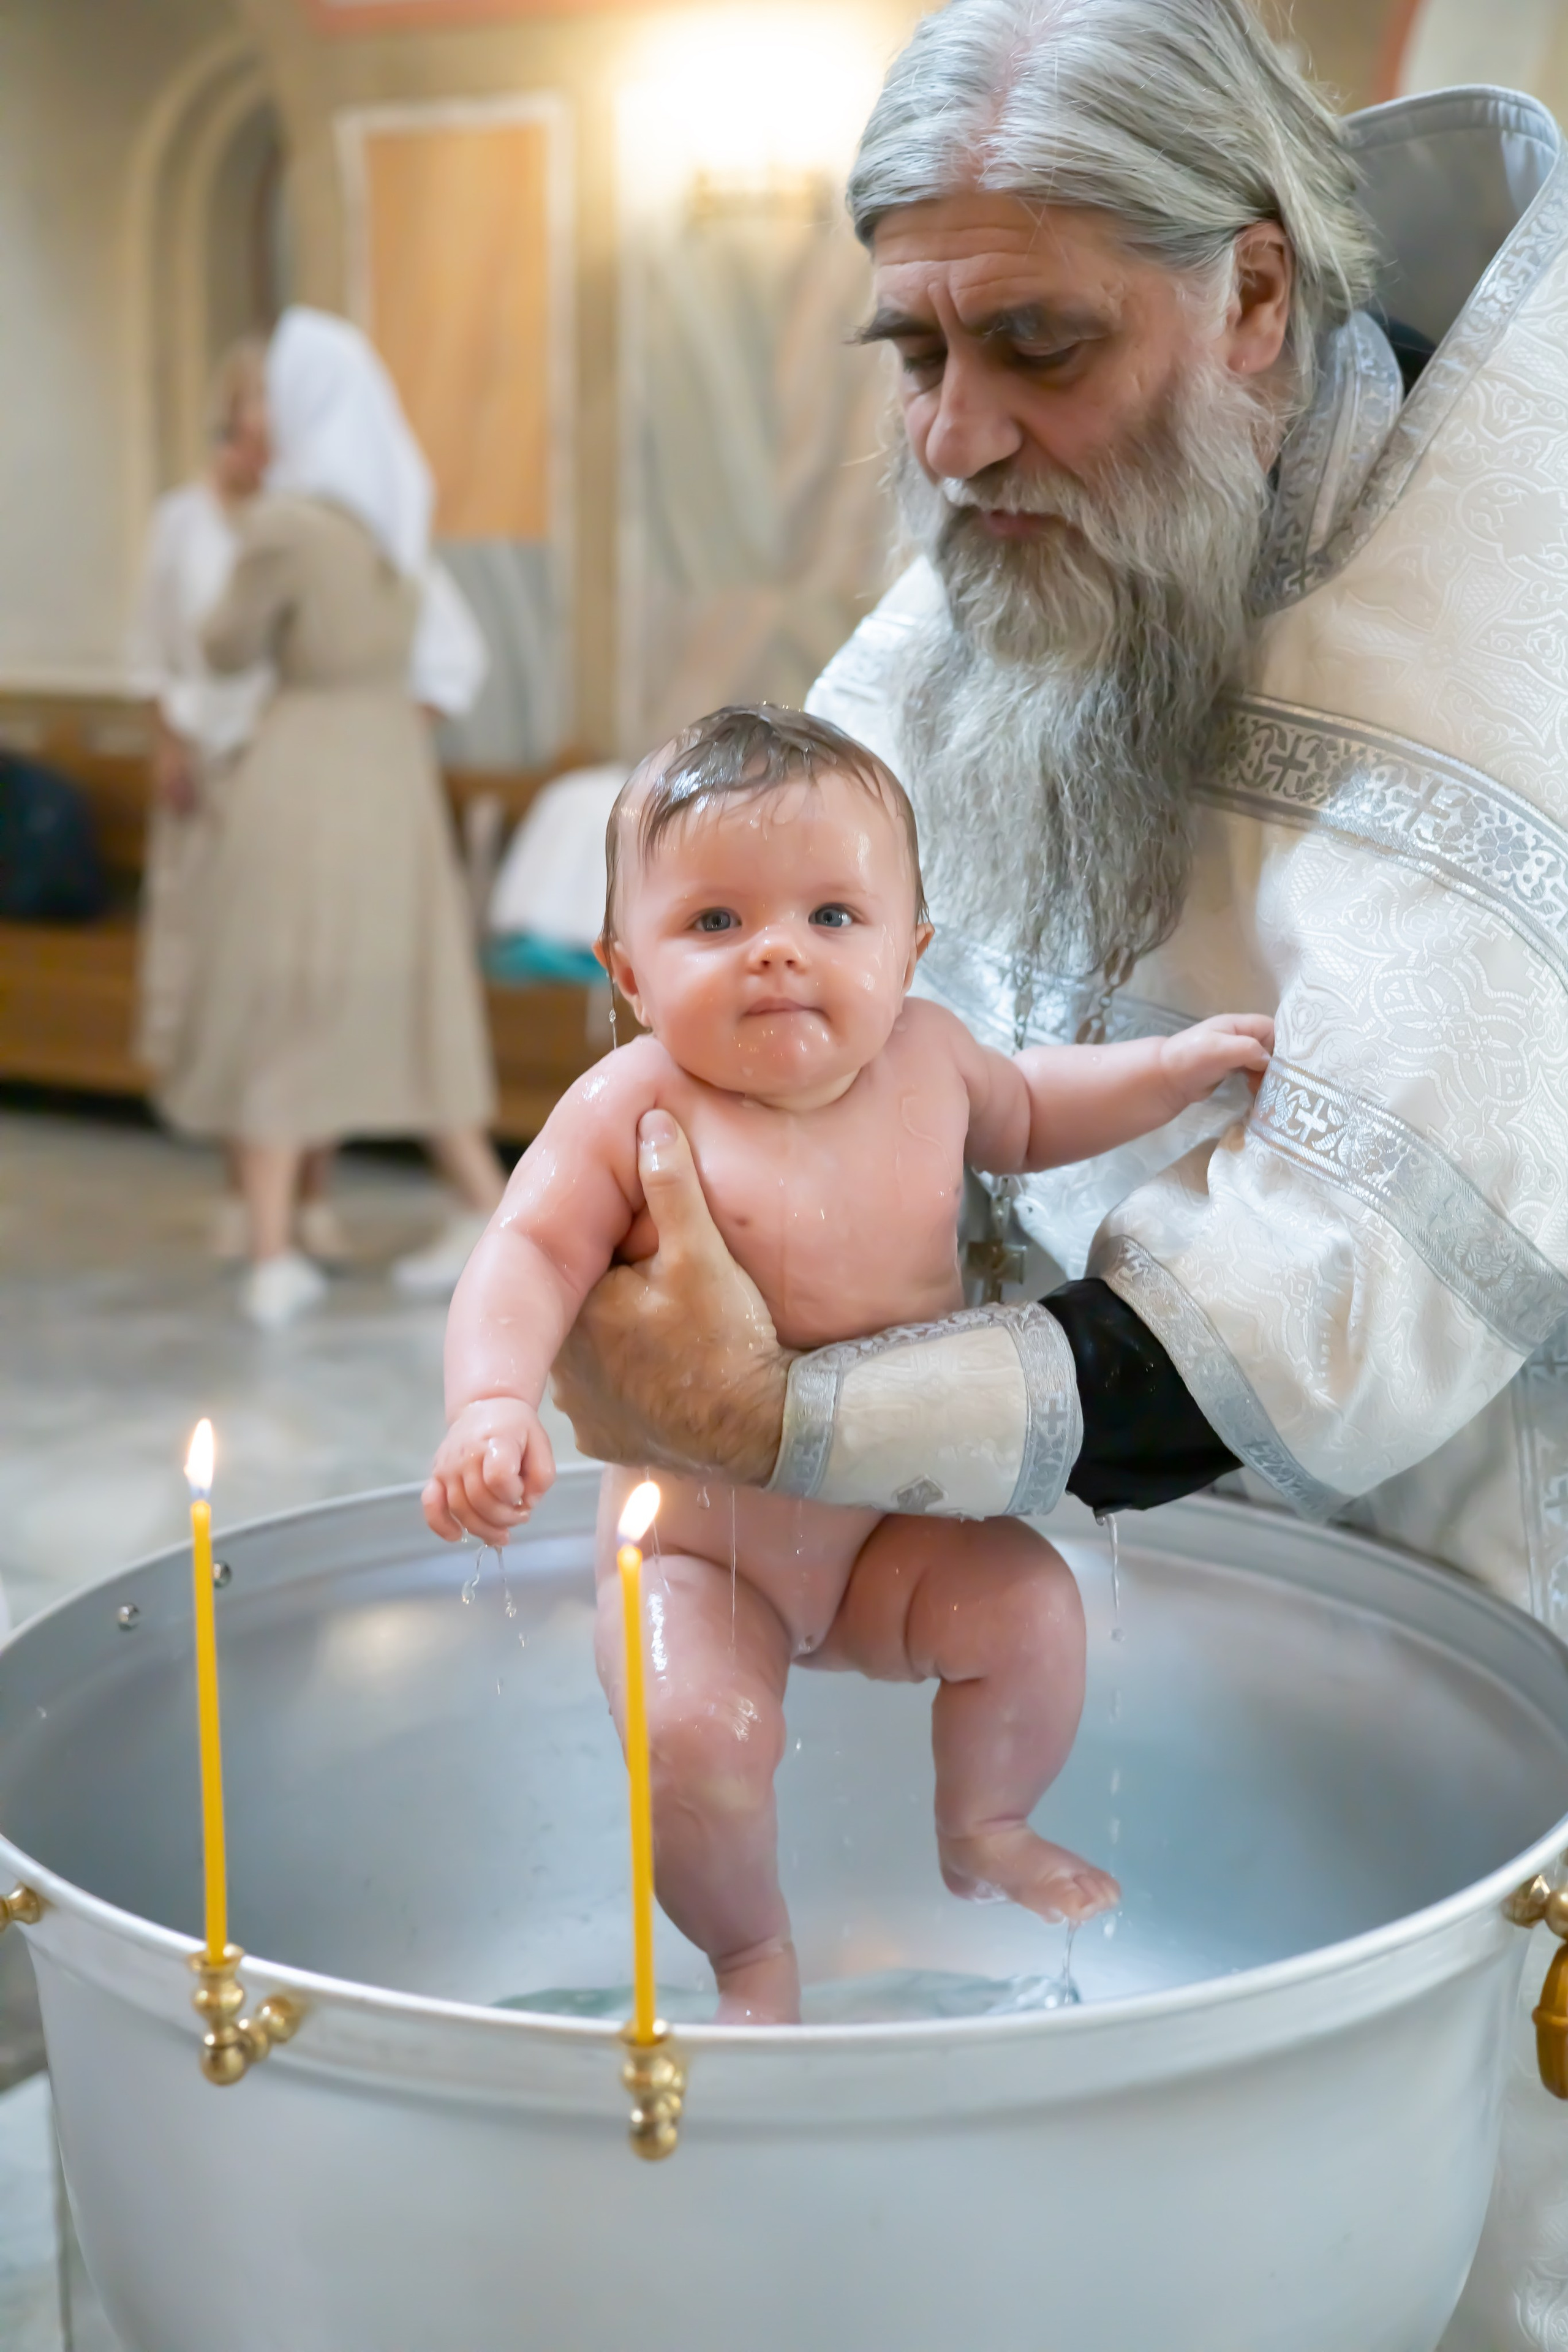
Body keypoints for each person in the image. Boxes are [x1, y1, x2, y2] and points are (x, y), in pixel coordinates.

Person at [545, 6, 1568, 2340]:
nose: (953, 435)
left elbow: (1326, 1304)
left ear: (1255, 295)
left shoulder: (1509, 650)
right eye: (913, 349)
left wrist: (782, 1414)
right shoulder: (1035, 512)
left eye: (1036, 345)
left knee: (1416, 2253)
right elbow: (792, 895)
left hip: (1450, 1597)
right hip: (1060, 1565)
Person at [424, 702, 1273, 2021]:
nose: (777, 951)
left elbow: (1035, 1109)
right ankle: (749, 1956)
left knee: (1032, 1613)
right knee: (696, 1739)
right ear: (627, 972)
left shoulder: (931, 1061)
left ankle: (984, 1822)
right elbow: (527, 1251)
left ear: (909, 949)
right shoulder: (632, 1105)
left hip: (892, 1529)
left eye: (832, 916)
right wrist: (489, 1401)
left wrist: (1167, 1070)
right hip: (703, 1552)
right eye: (715, 921)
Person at [157, 307, 507, 1327]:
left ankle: (273, 1251)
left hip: (301, 771)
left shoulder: (286, 525)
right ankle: (487, 1212)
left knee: (282, 990)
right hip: (392, 773)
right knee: (405, 990)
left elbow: (222, 645)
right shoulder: (397, 519)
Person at [130, 344, 342, 1261]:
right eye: (254, 407)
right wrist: (168, 746)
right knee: (220, 982)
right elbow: (155, 650)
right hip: (207, 777)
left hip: (292, 774)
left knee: (302, 984)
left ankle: (312, 1192)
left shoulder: (315, 521)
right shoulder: (180, 521)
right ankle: (238, 1187)